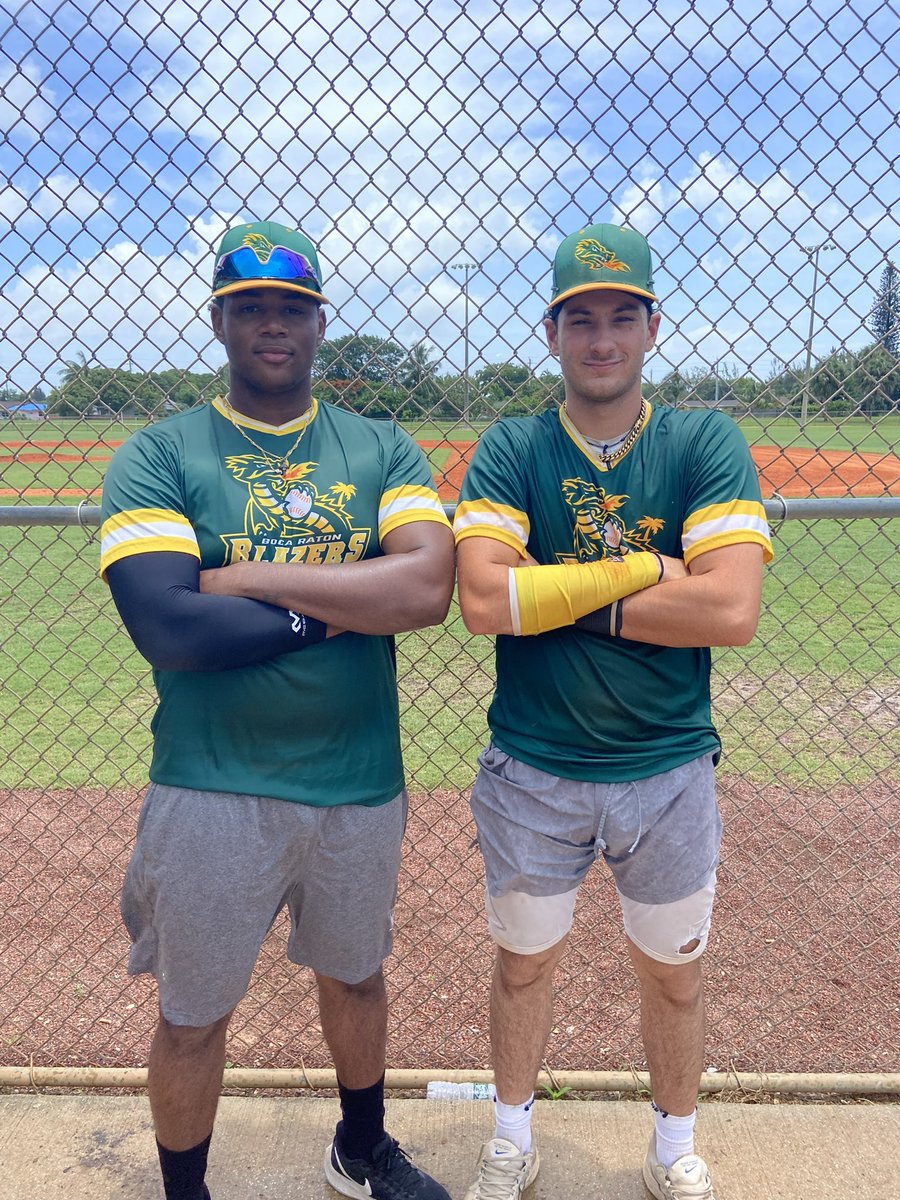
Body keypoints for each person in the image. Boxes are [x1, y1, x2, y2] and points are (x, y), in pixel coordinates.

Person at [99, 220, 455, 1200]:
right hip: (213, 782)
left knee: (357, 978)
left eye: (291, 308)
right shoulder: (162, 453)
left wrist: (246, 578)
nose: (271, 323)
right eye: (249, 306)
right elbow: (172, 627)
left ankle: (361, 1149)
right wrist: (343, 608)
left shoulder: (379, 446)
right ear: (219, 320)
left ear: (319, 323)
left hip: (357, 779)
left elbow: (426, 589)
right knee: (192, 1017)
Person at [454, 222, 773, 1200]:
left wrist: (557, 590)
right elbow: (484, 601)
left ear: (651, 328)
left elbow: (730, 611)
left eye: (621, 318)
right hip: (534, 766)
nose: (601, 339)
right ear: (551, 332)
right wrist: (648, 570)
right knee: (522, 965)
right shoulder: (514, 447)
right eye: (581, 319)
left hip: (667, 769)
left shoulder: (702, 441)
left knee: (674, 973)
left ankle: (673, 1146)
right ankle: (512, 1138)